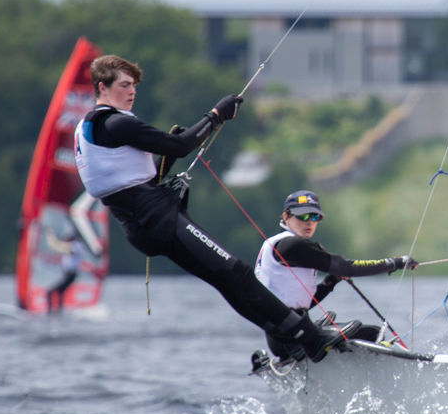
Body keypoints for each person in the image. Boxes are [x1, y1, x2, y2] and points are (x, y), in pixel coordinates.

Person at [73, 54, 354, 362]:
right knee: (237, 273)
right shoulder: (114, 123)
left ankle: (292, 337)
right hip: (157, 218)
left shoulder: (90, 129)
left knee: (228, 279)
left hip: (144, 223)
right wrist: (216, 114)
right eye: (124, 85)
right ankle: (308, 338)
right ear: (103, 87)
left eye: (134, 85)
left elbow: (140, 175)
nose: (132, 91)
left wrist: (171, 155)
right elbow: (179, 145)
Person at [254, 189, 418, 360]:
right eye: (303, 216)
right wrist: (395, 263)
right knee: (372, 335)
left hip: (285, 338)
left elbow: (299, 303)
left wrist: (329, 282)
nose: (309, 222)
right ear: (286, 216)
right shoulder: (291, 245)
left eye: (315, 217)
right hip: (293, 339)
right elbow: (345, 267)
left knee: (368, 332)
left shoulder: (275, 244)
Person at [45, 230, 87, 314]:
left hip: (70, 275)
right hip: (69, 275)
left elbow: (57, 246)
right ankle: (59, 311)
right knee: (60, 292)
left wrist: (50, 236)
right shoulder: (77, 245)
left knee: (49, 292)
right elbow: (58, 246)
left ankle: (50, 313)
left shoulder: (76, 246)